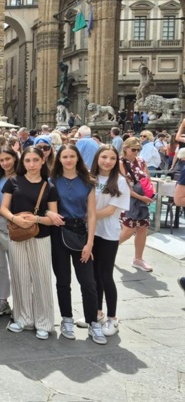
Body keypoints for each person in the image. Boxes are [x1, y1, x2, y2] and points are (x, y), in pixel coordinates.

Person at [0, 146, 59, 340]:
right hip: (17, 234)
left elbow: (53, 217)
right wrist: (15, 219)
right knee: (20, 276)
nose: (31, 164)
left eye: (35, 160)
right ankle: (23, 318)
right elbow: (3, 208)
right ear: (22, 163)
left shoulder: (49, 187)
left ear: (43, 161)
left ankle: (44, 321)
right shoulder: (12, 182)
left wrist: (37, 220)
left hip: (41, 236)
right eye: (27, 160)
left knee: (41, 278)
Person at [49, 145, 106, 345]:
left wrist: (90, 242)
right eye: (64, 156)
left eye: (72, 156)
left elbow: (91, 214)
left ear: (77, 158)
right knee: (63, 280)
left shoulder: (88, 181)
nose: (68, 160)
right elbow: (52, 210)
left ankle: (93, 322)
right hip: (59, 233)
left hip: (81, 233)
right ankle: (67, 319)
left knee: (88, 282)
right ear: (59, 159)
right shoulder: (53, 181)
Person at [89, 145, 130, 336]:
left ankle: (113, 318)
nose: (107, 161)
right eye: (104, 157)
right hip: (92, 233)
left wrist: (86, 216)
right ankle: (97, 312)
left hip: (108, 234)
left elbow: (110, 210)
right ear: (97, 158)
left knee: (105, 275)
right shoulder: (91, 179)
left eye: (112, 158)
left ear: (116, 161)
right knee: (94, 275)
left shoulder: (120, 181)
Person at [0, 146, 19, 317]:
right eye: (1, 160)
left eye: (8, 158)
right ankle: (3, 299)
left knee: (18, 266)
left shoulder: (22, 177)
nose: (5, 162)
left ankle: (21, 303)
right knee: (0, 265)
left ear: (15, 158)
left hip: (15, 223)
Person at [119, 137, 153, 272]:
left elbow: (147, 180)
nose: (136, 152)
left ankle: (138, 259)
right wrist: (141, 197)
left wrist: (150, 194)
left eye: (139, 149)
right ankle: (112, 247)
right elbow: (123, 186)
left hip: (142, 199)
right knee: (128, 230)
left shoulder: (141, 161)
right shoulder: (121, 163)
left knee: (142, 228)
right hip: (128, 199)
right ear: (125, 148)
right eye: (133, 149)